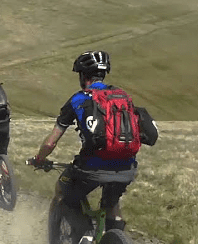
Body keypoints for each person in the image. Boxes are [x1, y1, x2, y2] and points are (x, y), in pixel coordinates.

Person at [30, 51, 137, 233]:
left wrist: (39, 158)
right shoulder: (123, 96)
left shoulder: (78, 99)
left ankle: (84, 235)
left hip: (92, 168)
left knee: (63, 191)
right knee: (112, 203)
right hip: (127, 167)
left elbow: (51, 143)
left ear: (82, 75)